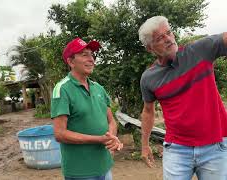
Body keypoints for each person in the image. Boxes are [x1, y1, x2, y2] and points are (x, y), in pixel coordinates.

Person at [139, 16, 227, 180]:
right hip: (177, 149)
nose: (168, 39)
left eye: (169, 32)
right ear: (150, 48)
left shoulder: (200, 50)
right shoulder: (149, 78)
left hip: (215, 145)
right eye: (160, 38)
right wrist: (144, 145)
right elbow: (148, 112)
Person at [51, 37, 123, 180]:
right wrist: (99, 139)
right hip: (81, 171)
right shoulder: (62, 89)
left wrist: (111, 139)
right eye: (85, 55)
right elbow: (60, 133)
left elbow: (111, 121)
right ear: (71, 62)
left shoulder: (99, 88)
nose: (91, 59)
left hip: (105, 165)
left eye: (92, 55)